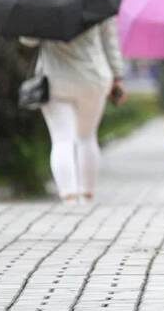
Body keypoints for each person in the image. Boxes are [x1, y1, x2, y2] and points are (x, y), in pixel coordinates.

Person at [20, 17, 127, 204]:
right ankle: (87, 195)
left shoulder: (44, 5)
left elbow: (28, 40)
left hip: (55, 81)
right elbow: (110, 40)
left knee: (62, 140)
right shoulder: (97, 3)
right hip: (93, 79)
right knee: (87, 137)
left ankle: (69, 197)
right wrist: (118, 76)